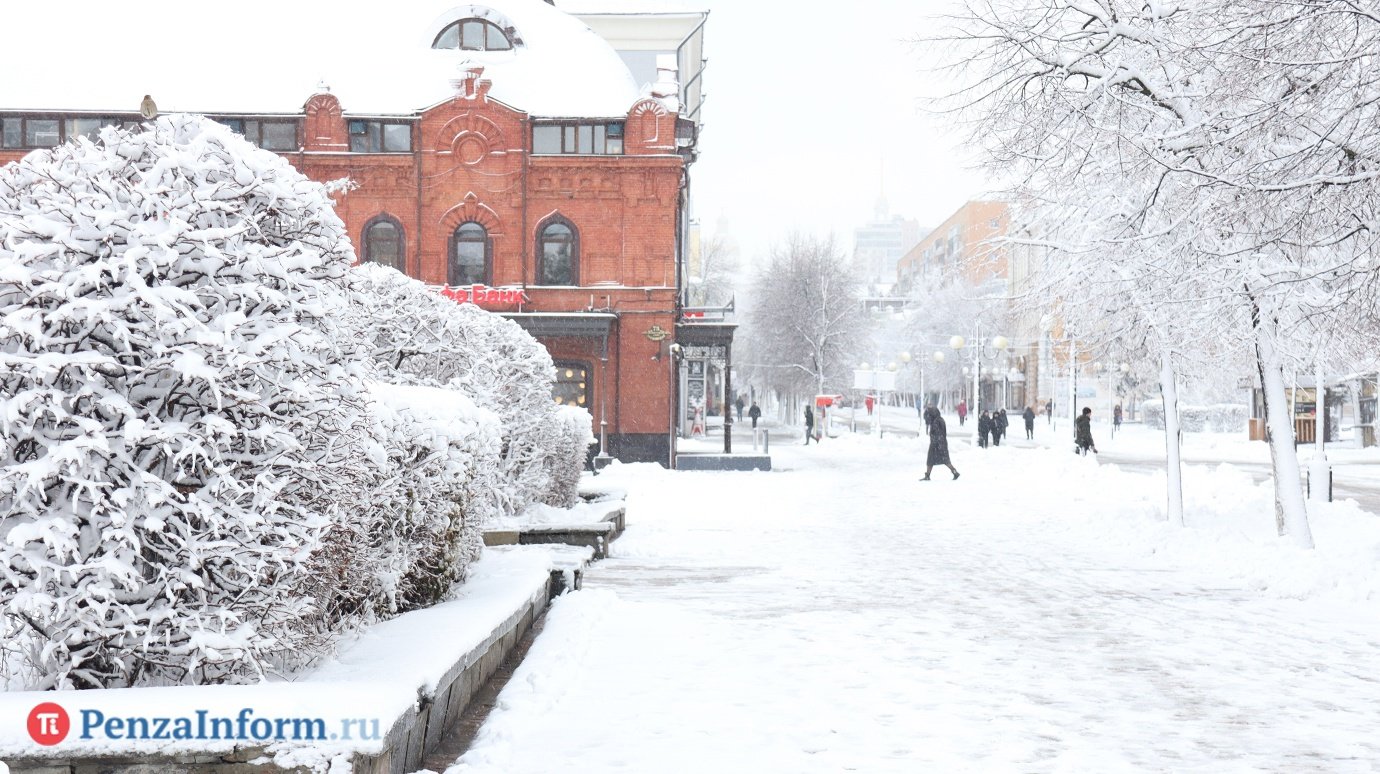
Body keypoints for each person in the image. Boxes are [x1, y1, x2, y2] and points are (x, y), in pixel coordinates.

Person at [920, 412, 960, 481]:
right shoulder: (939, 420)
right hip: (941, 444)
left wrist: (936, 443)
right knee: (943, 461)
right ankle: (954, 472)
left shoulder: (936, 422)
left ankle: (928, 476)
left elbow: (937, 433)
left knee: (931, 460)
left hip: (937, 445)